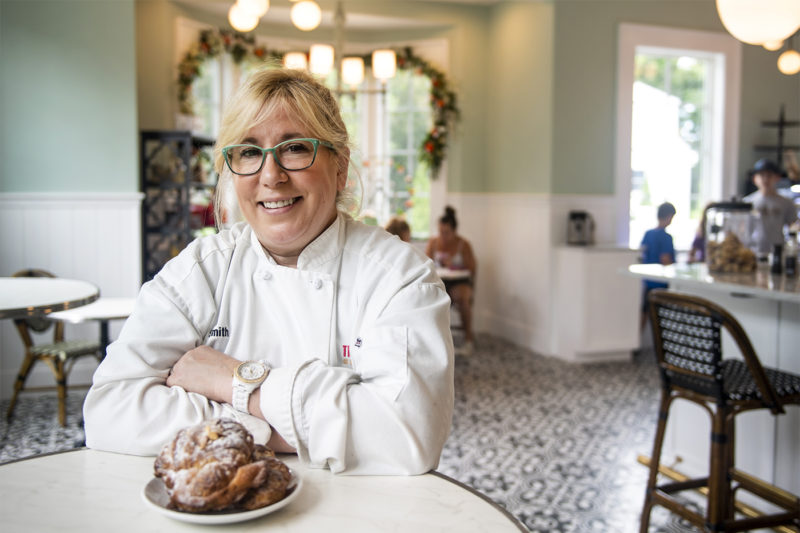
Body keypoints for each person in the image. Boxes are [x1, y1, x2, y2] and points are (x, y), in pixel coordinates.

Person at [83, 67, 454, 475]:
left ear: (340, 166)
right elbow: (109, 410)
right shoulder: (199, 271)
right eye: (248, 152)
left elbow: (407, 435)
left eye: (294, 148)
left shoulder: (399, 277)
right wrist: (278, 427)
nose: (271, 176)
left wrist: (235, 382)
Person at [425, 206, 477, 355]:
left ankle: (468, 340)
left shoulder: (463, 244)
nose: (443, 235)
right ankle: (433, 341)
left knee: (463, 298)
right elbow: (426, 264)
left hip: (459, 282)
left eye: (446, 232)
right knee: (430, 299)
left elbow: (471, 268)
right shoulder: (433, 243)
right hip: (440, 282)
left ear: (454, 231)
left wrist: (453, 265)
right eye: (441, 231)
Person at [744, 158, 798, 257]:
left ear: (777, 178)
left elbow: (793, 227)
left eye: (769, 175)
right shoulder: (747, 203)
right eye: (761, 175)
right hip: (752, 251)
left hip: (777, 251)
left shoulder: (786, 203)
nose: (765, 179)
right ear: (755, 179)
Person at [640, 202, 676, 329]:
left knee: (644, 312)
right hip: (661, 283)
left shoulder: (648, 234)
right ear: (669, 216)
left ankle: (638, 344)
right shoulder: (666, 237)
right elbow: (665, 259)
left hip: (648, 282)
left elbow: (642, 254)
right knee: (661, 318)